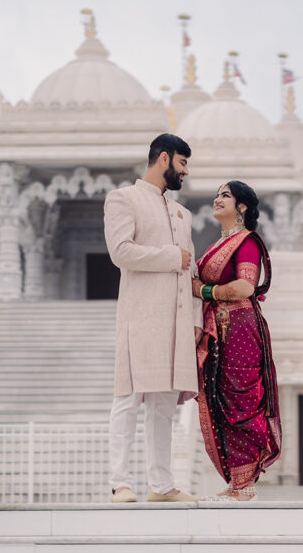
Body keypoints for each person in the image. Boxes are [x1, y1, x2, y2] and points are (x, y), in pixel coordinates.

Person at [103, 133, 200, 503]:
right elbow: (121, 251)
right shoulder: (123, 199)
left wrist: (194, 321)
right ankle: (119, 483)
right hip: (141, 319)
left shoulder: (181, 214)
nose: (185, 172)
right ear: (164, 158)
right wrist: (171, 256)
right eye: (182, 163)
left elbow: (191, 273)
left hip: (176, 324)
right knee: (128, 399)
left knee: (163, 407)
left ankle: (161, 485)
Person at [192, 181, 281, 501]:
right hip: (219, 327)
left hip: (239, 328)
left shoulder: (247, 242)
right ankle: (236, 483)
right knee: (220, 399)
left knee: (241, 401)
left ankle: (246, 485)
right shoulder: (219, 244)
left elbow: (245, 287)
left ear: (241, 206)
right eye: (217, 195)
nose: (217, 199)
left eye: (225, 196)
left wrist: (204, 290)